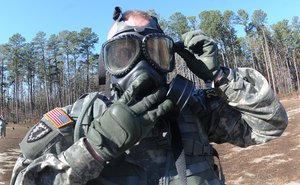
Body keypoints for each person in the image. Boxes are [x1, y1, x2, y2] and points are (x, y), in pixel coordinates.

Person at [10, 7, 288, 185]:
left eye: (155, 52)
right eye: (124, 54)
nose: (141, 66)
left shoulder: (191, 108)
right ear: (107, 66)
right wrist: (93, 149)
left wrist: (220, 76)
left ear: (169, 58)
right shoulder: (79, 118)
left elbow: (270, 124)